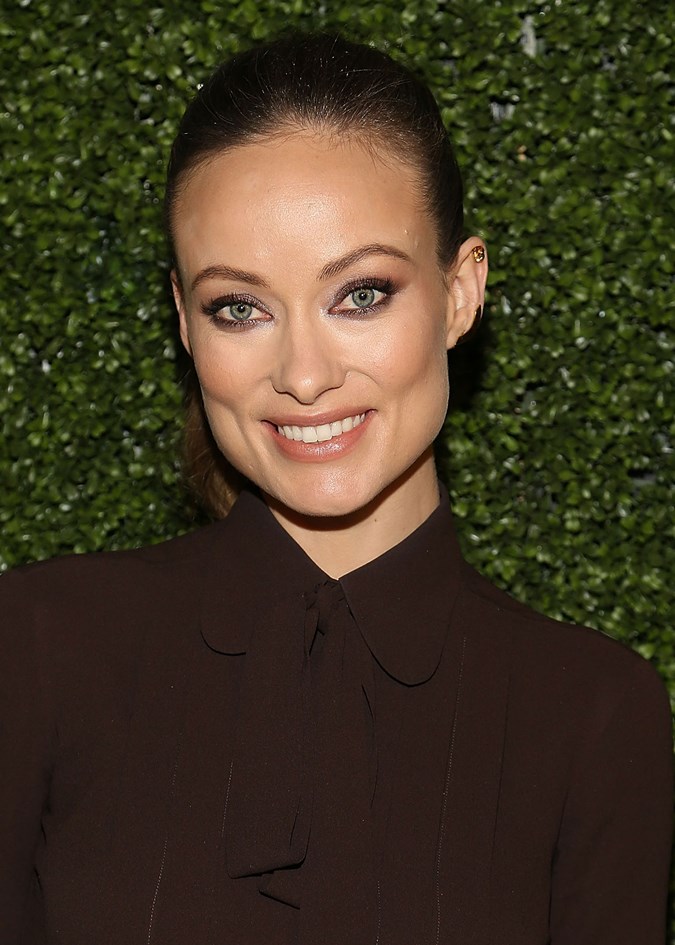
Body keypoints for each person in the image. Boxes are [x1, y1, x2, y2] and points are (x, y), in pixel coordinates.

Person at [0, 32, 672, 945]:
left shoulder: (593, 714)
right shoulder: (37, 650)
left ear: (461, 291)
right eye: (240, 308)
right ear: (184, 322)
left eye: (359, 294)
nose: (304, 375)